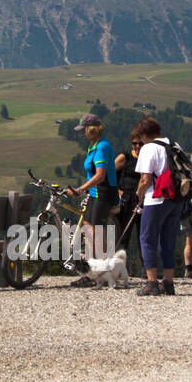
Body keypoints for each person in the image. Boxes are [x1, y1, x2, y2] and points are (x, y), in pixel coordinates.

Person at [132, 117, 186, 296]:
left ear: (144, 134)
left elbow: (145, 179)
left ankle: (152, 282)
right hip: (176, 198)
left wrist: (138, 196)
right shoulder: (174, 144)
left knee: (147, 239)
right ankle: (168, 282)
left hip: (156, 199)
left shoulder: (148, 148)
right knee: (168, 240)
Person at [66, 114, 118, 287]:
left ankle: (103, 272)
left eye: (84, 131)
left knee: (95, 233)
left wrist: (80, 189)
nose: (82, 134)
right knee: (88, 231)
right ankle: (91, 273)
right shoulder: (93, 146)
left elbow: (100, 175)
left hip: (104, 192)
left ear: (91, 130)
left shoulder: (102, 147)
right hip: (95, 193)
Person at [113, 135, 143, 274]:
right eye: (134, 143)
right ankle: (119, 268)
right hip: (126, 199)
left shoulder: (147, 158)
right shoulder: (124, 157)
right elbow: (109, 174)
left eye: (140, 143)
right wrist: (118, 192)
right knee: (123, 235)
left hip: (142, 199)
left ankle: (147, 269)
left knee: (143, 236)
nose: (137, 146)